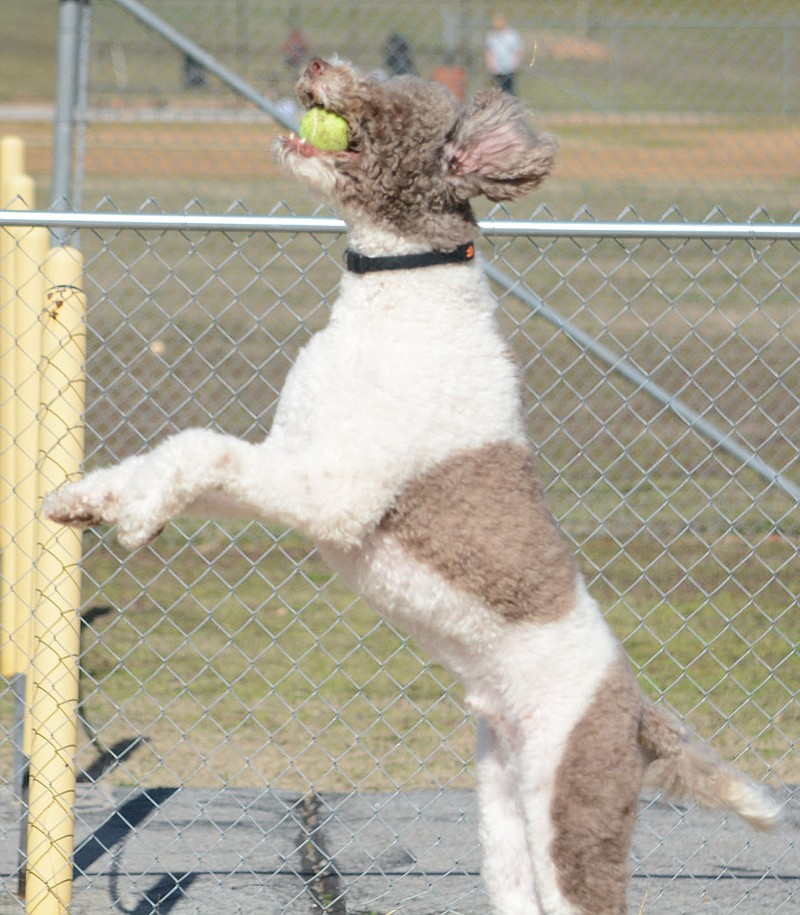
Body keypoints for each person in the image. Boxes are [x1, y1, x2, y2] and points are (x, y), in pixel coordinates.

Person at [484, 15, 524, 95]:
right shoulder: (492, 35)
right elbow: (489, 51)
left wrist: (516, 62)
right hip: (496, 67)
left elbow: (519, 50)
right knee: (497, 90)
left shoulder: (512, 35)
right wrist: (489, 64)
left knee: (509, 89)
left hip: (509, 66)